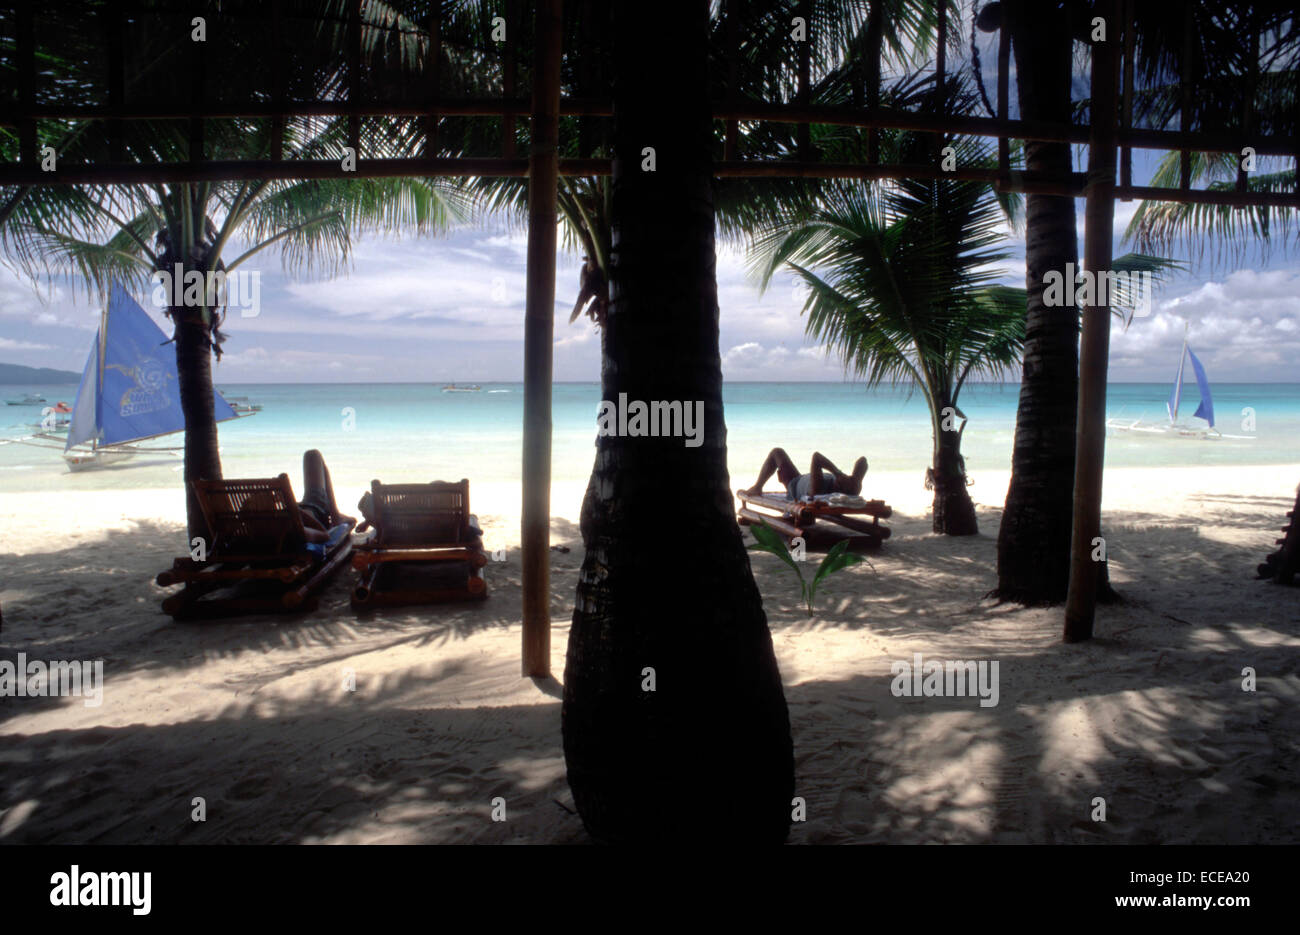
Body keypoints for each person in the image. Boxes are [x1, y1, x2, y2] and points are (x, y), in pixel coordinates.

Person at [745, 448, 868, 501]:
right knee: (777, 453)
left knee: (777, 452)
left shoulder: (817, 488)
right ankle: (758, 486)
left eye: (839, 482)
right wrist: (854, 479)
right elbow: (863, 461)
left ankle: (757, 487)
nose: (838, 479)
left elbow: (816, 457)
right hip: (804, 479)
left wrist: (838, 473)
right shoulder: (853, 488)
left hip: (795, 482)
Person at [296, 449, 353, 543]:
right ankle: (336, 515)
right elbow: (324, 536)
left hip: (303, 509)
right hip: (316, 509)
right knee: (312, 455)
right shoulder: (299, 533)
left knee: (312, 454)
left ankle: (336, 515)